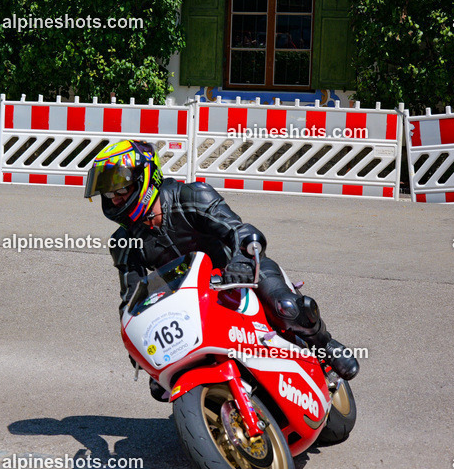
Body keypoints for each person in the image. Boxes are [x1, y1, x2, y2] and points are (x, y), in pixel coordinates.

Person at [83, 140, 359, 400]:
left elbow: (242, 231)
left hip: (240, 272)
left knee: (286, 306)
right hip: (190, 297)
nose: (115, 199)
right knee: (160, 382)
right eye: (108, 193)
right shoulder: (124, 241)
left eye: (121, 189)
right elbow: (131, 297)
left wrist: (240, 261)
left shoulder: (190, 195)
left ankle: (327, 345)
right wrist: (136, 338)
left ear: (146, 177)